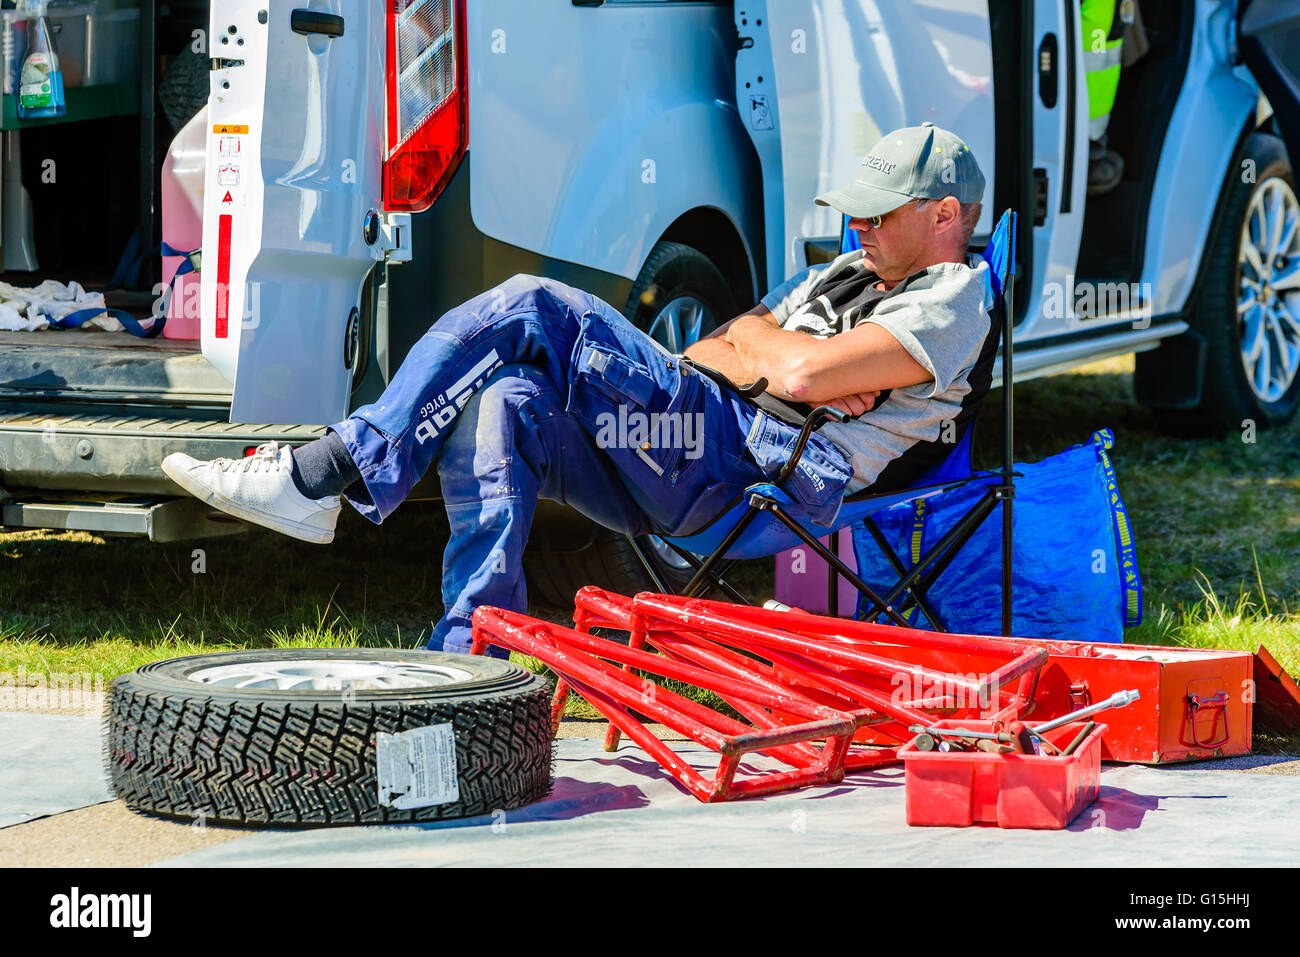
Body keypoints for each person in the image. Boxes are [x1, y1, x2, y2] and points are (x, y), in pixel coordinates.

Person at [162, 122, 996, 655]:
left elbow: (801, 371)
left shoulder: (955, 296)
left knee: (532, 304)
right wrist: (768, 353)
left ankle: (319, 473)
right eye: (858, 213)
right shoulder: (856, 271)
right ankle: (470, 653)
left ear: (946, 216)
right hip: (709, 442)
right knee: (507, 405)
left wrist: (779, 355)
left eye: (881, 214)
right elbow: (722, 342)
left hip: (772, 473)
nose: (859, 227)